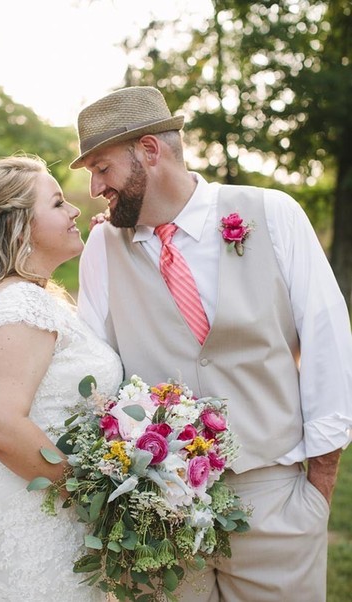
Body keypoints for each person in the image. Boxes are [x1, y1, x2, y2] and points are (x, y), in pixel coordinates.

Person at [72, 86, 352, 601]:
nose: (94, 188)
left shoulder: (273, 213)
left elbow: (326, 338)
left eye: (102, 168)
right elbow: (94, 370)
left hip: (274, 499)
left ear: (149, 151)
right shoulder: (102, 247)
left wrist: (318, 487)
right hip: (156, 518)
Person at [0, 154, 123, 602]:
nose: (74, 210)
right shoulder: (20, 305)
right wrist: (93, 494)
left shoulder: (33, 298)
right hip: (37, 534)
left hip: (48, 521)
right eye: (57, 203)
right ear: (19, 226)